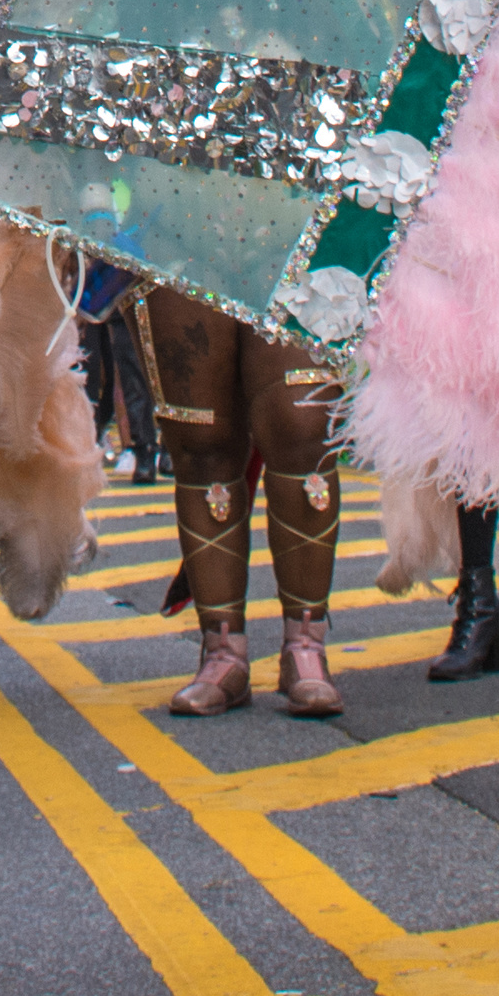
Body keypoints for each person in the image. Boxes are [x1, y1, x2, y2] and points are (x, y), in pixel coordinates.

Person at [134, 280, 335, 715]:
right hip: (178, 227)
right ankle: (222, 652)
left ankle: (305, 647)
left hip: (298, 227)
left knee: (302, 423)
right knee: (200, 442)